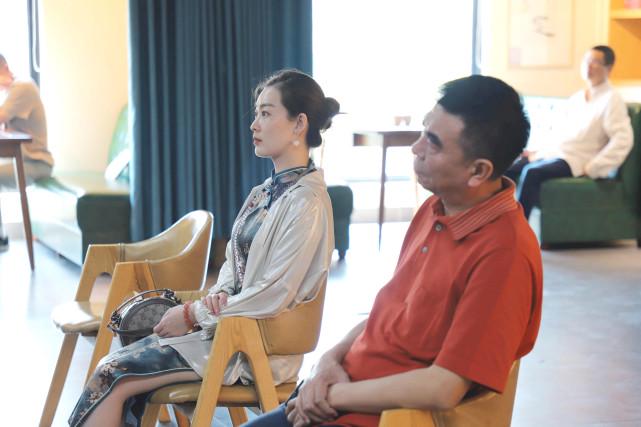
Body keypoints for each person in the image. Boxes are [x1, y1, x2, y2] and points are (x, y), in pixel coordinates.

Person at [245, 75, 543, 427]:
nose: (416, 148)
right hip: (338, 397)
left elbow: (443, 388)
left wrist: (332, 396)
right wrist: (327, 362)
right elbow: (389, 316)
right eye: (423, 131)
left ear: (478, 171)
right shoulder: (435, 209)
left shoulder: (504, 253)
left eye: (433, 143)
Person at [68, 69, 339, 427]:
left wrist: (194, 314)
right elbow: (232, 265)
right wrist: (216, 297)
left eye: (266, 113)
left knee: (112, 374)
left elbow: (273, 293)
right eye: (256, 113)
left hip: (253, 346)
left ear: (299, 124)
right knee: (112, 368)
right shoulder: (263, 192)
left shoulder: (307, 203)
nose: (254, 124)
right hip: (224, 331)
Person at [505, 45, 633, 219]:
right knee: (508, 168)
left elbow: (623, 140)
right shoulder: (577, 98)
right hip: (555, 154)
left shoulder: (612, 99)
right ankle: (492, 223)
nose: (589, 66)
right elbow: (558, 133)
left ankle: (517, 227)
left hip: (575, 161)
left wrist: (594, 167)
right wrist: (537, 151)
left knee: (532, 172)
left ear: (608, 68)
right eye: (587, 60)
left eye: (595, 62)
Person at [0, 53, 53, 251]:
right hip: (24, 162)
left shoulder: (22, 87)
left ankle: (1, 238)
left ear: (4, 68)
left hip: (37, 164)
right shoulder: (11, 92)